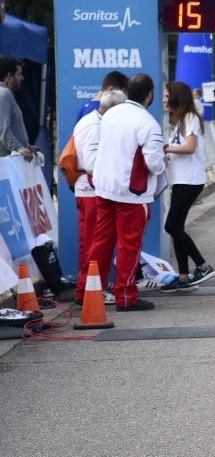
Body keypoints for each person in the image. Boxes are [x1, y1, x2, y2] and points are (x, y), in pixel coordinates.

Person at [82, 73, 165, 311]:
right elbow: (155, 164)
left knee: (101, 241)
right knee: (129, 245)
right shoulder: (148, 123)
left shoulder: (110, 114)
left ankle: (92, 289)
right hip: (132, 194)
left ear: (127, 91)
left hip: (104, 188)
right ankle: (126, 295)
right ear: (150, 95)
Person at [72, 87, 127, 306]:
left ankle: (88, 287)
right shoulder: (95, 126)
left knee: (91, 243)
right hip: (92, 192)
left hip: (89, 191)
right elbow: (93, 164)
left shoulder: (93, 121)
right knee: (96, 243)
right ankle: (90, 289)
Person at [160, 81, 215, 292]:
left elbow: (190, 147)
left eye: (167, 96)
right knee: (177, 228)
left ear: (177, 97)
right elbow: (181, 148)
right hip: (182, 179)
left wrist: (167, 148)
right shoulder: (179, 121)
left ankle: (203, 265)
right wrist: (167, 154)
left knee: (171, 226)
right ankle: (183, 276)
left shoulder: (190, 118)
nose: (164, 100)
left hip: (190, 180)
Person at [0, 56, 40, 161]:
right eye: (19, 74)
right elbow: (3, 129)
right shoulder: (3, 94)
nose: (22, 78)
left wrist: (26, 146)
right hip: (7, 164)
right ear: (9, 76)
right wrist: (18, 147)